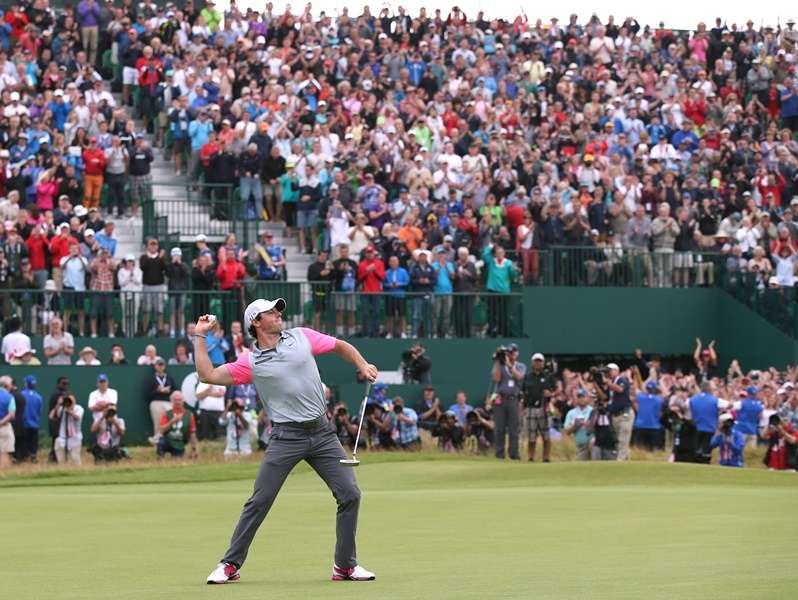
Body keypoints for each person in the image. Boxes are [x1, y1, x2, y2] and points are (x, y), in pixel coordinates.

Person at [196, 297, 377, 584]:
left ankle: (344, 566)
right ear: (256, 322)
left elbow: (340, 346)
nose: (279, 313)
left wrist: (362, 364)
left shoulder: (302, 337)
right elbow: (207, 375)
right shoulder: (251, 362)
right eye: (271, 311)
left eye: (278, 309)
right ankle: (230, 564)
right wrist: (199, 335)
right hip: (286, 437)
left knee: (350, 494)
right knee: (260, 500)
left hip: (322, 433)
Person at [491, 344, 525, 460]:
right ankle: (499, 454)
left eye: (514, 352)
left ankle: (514, 454)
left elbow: (519, 377)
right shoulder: (500, 366)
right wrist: (497, 361)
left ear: (517, 353)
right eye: (509, 352)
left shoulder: (520, 366)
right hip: (501, 399)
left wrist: (509, 365)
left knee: (513, 429)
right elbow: (496, 379)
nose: (511, 354)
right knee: (499, 428)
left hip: (513, 399)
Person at [521, 352, 555, 462]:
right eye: (536, 361)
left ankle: (546, 457)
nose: (537, 363)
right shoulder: (528, 377)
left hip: (543, 407)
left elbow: (554, 390)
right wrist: (523, 407)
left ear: (543, 363)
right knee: (531, 435)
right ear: (532, 363)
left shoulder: (548, 376)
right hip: (530, 407)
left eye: (540, 361)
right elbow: (524, 393)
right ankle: (531, 457)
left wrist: (550, 394)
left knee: (546, 435)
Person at [689, 381, 730, 464]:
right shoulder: (715, 400)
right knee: (706, 453)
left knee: (696, 452)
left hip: (696, 428)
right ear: (709, 389)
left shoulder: (692, 399)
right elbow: (729, 405)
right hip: (709, 429)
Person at [605, 363, 635, 460]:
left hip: (624, 414)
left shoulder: (622, 380)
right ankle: (626, 462)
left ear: (617, 371)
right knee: (619, 440)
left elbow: (620, 389)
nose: (608, 372)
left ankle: (619, 462)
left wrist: (609, 383)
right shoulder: (610, 382)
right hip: (615, 415)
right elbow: (607, 397)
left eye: (610, 370)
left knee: (623, 439)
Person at [157, 390, 199, 459]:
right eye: (175, 400)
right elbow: (161, 430)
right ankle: (160, 459)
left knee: (177, 458)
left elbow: (192, 433)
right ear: (171, 401)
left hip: (180, 442)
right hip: (168, 440)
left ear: (183, 401)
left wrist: (194, 448)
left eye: (180, 400)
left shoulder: (189, 415)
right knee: (161, 443)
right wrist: (172, 422)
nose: (178, 402)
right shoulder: (166, 414)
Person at [146, 358, 177, 445]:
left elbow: (175, 390)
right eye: (158, 365)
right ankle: (157, 440)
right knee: (158, 421)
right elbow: (147, 394)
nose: (160, 367)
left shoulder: (169, 378)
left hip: (168, 402)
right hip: (156, 402)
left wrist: (168, 391)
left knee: (172, 420)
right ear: (155, 366)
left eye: (162, 365)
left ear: (164, 366)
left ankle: (172, 439)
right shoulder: (151, 379)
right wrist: (157, 391)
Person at [49, 391, 84, 465]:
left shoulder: (79, 408)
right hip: (62, 438)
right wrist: (58, 405)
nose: (70, 402)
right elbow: (51, 416)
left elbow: (77, 417)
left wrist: (69, 411)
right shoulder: (62, 409)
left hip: (75, 438)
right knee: (61, 461)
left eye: (72, 400)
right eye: (68, 400)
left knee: (75, 459)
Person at [632, 381, 664, 451]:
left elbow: (634, 400)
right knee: (652, 450)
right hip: (654, 426)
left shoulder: (640, 397)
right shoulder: (659, 399)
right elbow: (660, 412)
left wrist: (639, 410)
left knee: (639, 449)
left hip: (640, 425)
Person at [564, 389, 593, 461]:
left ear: (587, 398)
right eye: (579, 397)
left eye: (583, 397)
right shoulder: (571, 413)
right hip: (580, 446)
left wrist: (588, 424)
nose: (581, 399)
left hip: (593, 445)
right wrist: (575, 426)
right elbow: (567, 431)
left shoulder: (592, 411)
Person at [20, 375, 42, 463]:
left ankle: (25, 459)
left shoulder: (21, 395)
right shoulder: (39, 397)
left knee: (24, 443)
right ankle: (33, 458)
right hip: (35, 424)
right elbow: (39, 412)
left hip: (24, 424)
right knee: (33, 444)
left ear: (26, 384)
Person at [0, 378, 16, 469]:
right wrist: (1, 422)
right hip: (4, 427)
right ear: (6, 386)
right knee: (4, 452)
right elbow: (11, 415)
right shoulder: (10, 397)